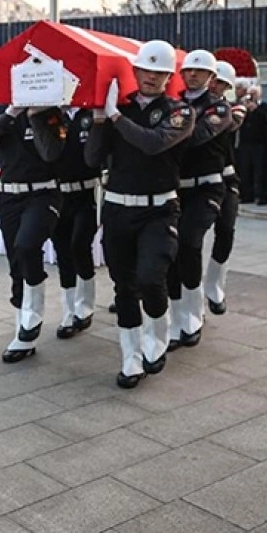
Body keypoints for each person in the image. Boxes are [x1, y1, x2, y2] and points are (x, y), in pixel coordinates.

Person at [85, 40, 195, 389]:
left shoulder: (180, 112)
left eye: (159, 72)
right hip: (118, 208)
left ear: (168, 76)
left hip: (159, 210)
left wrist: (116, 117)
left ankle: (156, 340)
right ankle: (130, 357)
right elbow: (92, 159)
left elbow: (153, 143)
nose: (151, 77)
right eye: (145, 70)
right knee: (124, 287)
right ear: (134, 72)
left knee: (151, 277)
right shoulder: (119, 108)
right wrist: (101, 120)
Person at [0, 102, 63, 362]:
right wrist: (10, 114)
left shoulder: (50, 112)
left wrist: (35, 117)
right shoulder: (3, 110)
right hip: (9, 195)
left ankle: (33, 317)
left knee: (27, 245)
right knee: (16, 261)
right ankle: (23, 332)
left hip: (43, 193)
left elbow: (51, 153)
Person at [165, 50, 233, 350]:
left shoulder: (218, 108)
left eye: (199, 71)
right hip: (175, 188)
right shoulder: (173, 105)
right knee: (169, 251)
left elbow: (196, 137)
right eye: (188, 70)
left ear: (211, 77)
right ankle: (177, 315)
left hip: (207, 187)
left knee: (190, 242)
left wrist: (162, 135)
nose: (192, 75)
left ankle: (193, 314)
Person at [52, 105, 102, 339]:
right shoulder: (51, 115)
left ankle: (85, 305)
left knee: (80, 245)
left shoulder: (89, 115)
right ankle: (69, 309)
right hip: (59, 193)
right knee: (62, 250)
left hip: (87, 191)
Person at [204, 62, 246, 316]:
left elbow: (230, 123)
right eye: (213, 79)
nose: (214, 85)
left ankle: (215, 286)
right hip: (196, 181)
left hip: (226, 177)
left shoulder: (231, 109)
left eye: (220, 83)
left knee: (226, 230)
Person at [236, 84, 267, 204]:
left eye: (254, 93)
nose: (252, 96)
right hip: (245, 143)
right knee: (245, 170)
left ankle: (262, 195)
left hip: (259, 143)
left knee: (260, 171)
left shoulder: (264, 107)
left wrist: (255, 109)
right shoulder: (244, 106)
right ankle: (247, 194)